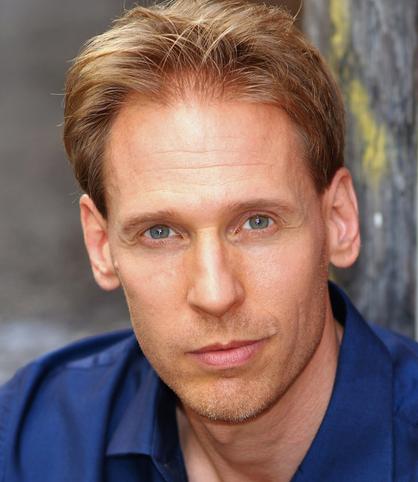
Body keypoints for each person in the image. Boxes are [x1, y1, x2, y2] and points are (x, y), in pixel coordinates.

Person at [1, 1, 417, 480]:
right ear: (101, 246)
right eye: (160, 233)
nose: (216, 294)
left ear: (339, 220)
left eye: (257, 223)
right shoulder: (29, 445)